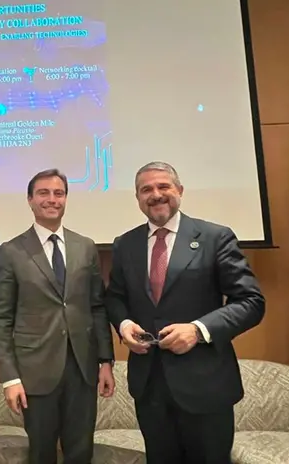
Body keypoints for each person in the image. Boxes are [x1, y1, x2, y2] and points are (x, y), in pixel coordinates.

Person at [105, 161, 265, 464]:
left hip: (205, 386)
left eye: (163, 186)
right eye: (146, 189)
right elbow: (115, 297)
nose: (156, 194)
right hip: (150, 387)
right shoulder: (125, 244)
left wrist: (198, 330)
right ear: (138, 198)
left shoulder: (215, 237)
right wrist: (124, 324)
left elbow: (251, 302)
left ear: (179, 190)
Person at [0, 168, 115, 464]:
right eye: (43, 193)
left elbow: (97, 307)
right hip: (35, 370)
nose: (52, 199)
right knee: (41, 453)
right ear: (30, 200)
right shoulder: (11, 251)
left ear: (66, 199)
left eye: (58, 193)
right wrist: (10, 378)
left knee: (81, 451)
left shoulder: (85, 246)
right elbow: (1, 318)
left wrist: (105, 361)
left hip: (82, 368)